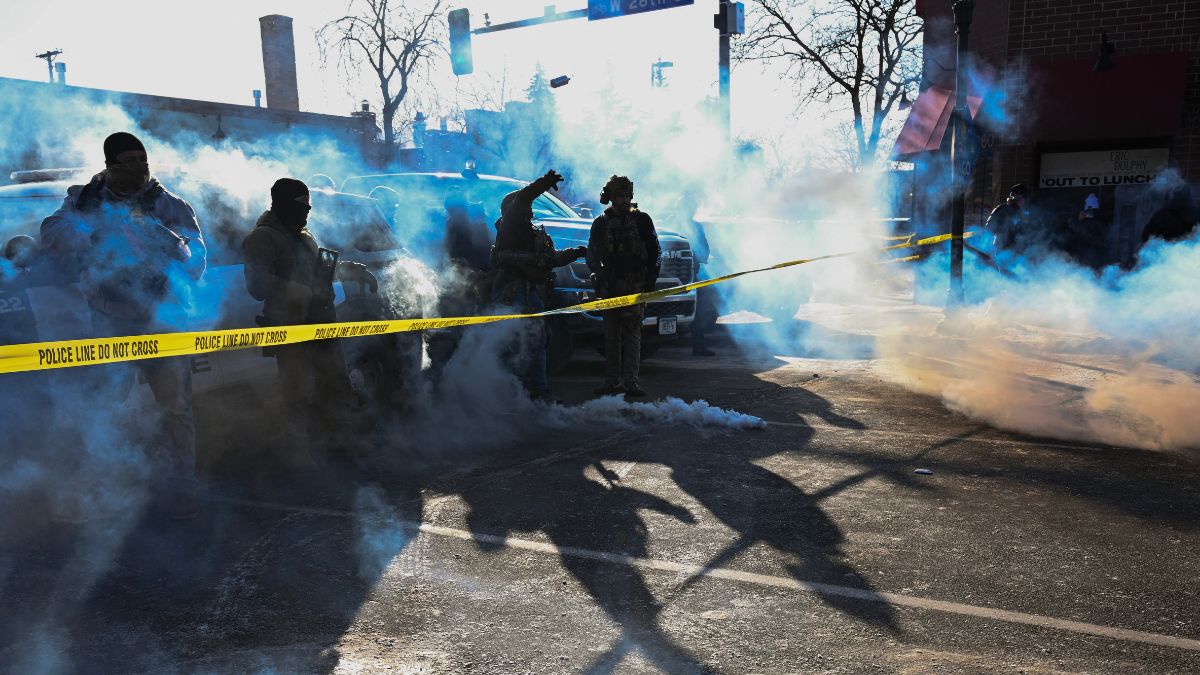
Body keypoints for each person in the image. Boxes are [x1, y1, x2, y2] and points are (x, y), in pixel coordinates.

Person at [40, 132, 206, 519]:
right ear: (109, 165)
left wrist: (166, 239)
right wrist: (94, 232)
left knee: (176, 407)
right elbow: (50, 234)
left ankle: (184, 484)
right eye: (126, 161)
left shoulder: (169, 204)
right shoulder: (86, 199)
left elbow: (197, 263)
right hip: (111, 318)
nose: (136, 168)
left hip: (162, 318)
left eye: (141, 160)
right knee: (106, 407)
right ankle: (107, 488)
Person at [242, 178, 378, 467]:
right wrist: (293, 289)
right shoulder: (263, 238)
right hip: (290, 326)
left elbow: (321, 270)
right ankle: (295, 452)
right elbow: (257, 285)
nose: (307, 210)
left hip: (322, 320)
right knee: (296, 391)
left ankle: (338, 441)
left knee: (336, 385)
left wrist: (353, 270)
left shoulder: (304, 235)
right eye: (300, 204)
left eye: (308, 204)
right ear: (281, 204)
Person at [491, 169, 586, 402]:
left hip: (528, 291)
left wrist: (578, 252)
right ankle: (512, 392)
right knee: (514, 341)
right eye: (525, 205)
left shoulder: (530, 232)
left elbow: (550, 259)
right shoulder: (510, 227)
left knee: (537, 340)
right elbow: (524, 196)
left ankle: (538, 392)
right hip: (511, 291)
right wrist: (545, 182)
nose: (530, 209)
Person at [587, 175, 661, 397]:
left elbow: (655, 252)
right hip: (611, 286)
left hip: (635, 284)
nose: (623, 200)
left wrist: (650, 281)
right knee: (611, 336)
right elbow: (592, 255)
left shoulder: (642, 220)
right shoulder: (601, 223)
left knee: (632, 335)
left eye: (626, 195)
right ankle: (612, 381)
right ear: (610, 197)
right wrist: (601, 275)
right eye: (618, 196)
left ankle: (631, 382)